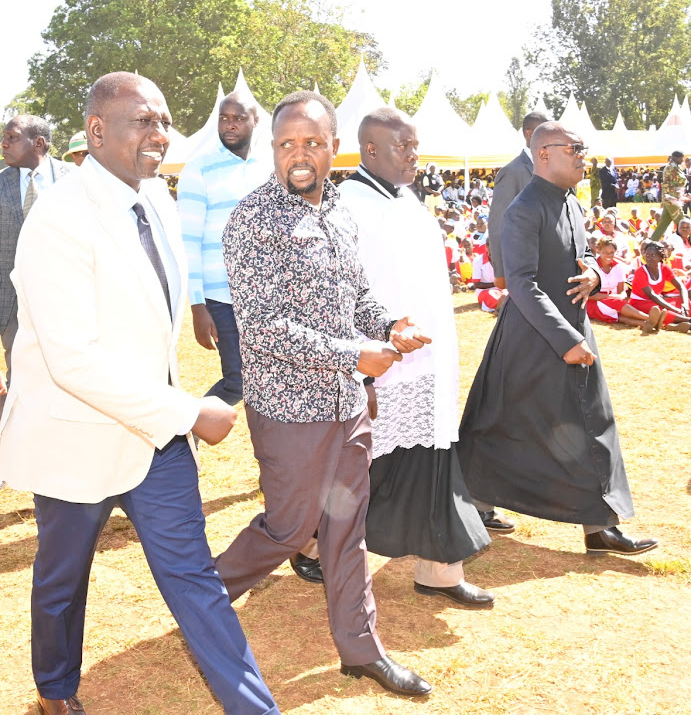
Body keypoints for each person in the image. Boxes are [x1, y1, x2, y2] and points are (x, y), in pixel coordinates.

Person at [0, 72, 279, 715]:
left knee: (195, 583)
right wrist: (189, 411)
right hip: (78, 432)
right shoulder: (60, 217)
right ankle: (56, 690)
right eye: (143, 121)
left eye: (164, 120)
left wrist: (172, 412)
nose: (161, 134)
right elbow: (73, 361)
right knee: (63, 581)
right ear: (96, 132)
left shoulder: (156, 198)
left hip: (155, 438)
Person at [217, 91, 433, 697]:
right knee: (290, 528)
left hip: (345, 403)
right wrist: (353, 356)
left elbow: (355, 299)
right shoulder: (254, 221)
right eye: (287, 144)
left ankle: (360, 650)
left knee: (346, 527)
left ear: (333, 147)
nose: (300, 155)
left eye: (313, 142)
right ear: (273, 149)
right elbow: (264, 327)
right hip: (289, 408)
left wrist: (389, 326)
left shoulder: (339, 211)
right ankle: (201, 596)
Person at [293, 108, 493, 607]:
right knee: (361, 466)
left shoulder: (408, 200)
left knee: (431, 460)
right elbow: (334, 295)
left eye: (415, 145)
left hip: (424, 361)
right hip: (376, 364)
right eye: (404, 146)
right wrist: (357, 370)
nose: (414, 155)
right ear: (372, 150)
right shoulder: (345, 206)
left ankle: (439, 569)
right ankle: (312, 542)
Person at [457, 121, 658, 557]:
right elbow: (523, 284)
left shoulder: (569, 202)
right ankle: (470, 508)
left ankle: (599, 527)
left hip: (570, 332)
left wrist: (594, 272)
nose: (584, 155)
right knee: (497, 429)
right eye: (576, 148)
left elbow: (582, 254)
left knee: (592, 423)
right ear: (544, 154)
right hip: (532, 341)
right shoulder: (524, 209)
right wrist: (565, 340)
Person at [178, 91, 271, 406]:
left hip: (266, 297)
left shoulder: (270, 169)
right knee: (238, 382)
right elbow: (187, 240)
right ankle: (186, 435)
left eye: (239, 118)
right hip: (221, 299)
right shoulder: (198, 168)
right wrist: (197, 305)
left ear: (255, 122)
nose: (230, 125)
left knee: (268, 378)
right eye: (224, 118)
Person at [0, 115, 72, 414]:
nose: (4, 143)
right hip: (12, 303)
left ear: (39, 143)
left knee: (69, 374)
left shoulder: (76, 180)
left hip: (66, 297)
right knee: (20, 375)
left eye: (12, 137)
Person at [488, 111, 549, 290]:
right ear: (530, 134)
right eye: (545, 131)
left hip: (551, 265)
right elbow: (497, 223)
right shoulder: (512, 172)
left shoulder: (553, 168)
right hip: (523, 268)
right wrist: (500, 271)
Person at [586, 236, 661, 332]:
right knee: (616, 305)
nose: (609, 255)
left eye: (612, 252)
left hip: (611, 301)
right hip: (593, 303)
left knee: (620, 313)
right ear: (599, 251)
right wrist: (613, 296)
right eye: (605, 252)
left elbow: (621, 291)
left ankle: (645, 324)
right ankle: (650, 318)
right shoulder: (592, 267)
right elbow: (590, 295)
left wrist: (621, 296)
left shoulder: (618, 267)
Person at [629, 241, 690, 332]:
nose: (649, 258)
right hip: (640, 303)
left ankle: (674, 324)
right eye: (647, 255)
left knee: (685, 301)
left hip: (658, 301)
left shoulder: (664, 268)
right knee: (659, 310)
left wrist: (685, 304)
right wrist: (675, 310)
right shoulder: (640, 272)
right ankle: (687, 321)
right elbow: (652, 295)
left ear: (661, 257)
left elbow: (681, 286)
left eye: (653, 256)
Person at [651, 151, 690, 241]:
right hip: (673, 198)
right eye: (681, 158)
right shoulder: (672, 167)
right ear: (675, 158)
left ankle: (653, 241)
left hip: (671, 197)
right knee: (682, 222)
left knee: (663, 224)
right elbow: (681, 180)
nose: (682, 160)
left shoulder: (673, 166)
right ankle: (688, 241)